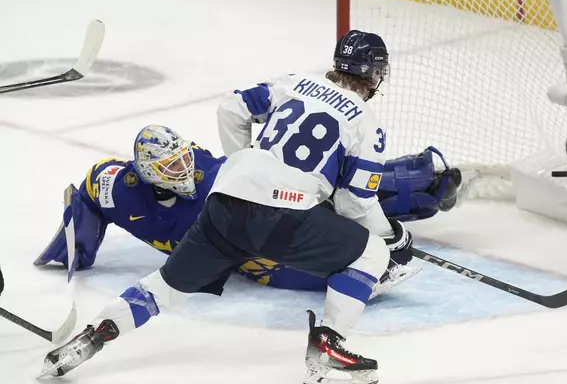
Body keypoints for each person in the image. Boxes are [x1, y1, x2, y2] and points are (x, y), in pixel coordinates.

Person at [40, 30, 461, 384]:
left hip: (223, 204)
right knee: (371, 253)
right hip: (284, 217)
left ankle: (93, 338)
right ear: (375, 75)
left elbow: (231, 107)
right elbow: (355, 202)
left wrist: (243, 165)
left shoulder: (293, 82)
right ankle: (328, 345)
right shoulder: (367, 125)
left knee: (162, 288)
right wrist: (392, 236)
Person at [34, 126, 460, 295]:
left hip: (266, 203)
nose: (183, 170)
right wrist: (77, 246)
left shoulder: (209, 177)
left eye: (184, 158)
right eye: (169, 166)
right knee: (282, 265)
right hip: (238, 253)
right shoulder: (116, 186)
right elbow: (87, 193)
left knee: (338, 201)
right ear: (146, 172)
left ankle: (423, 180)